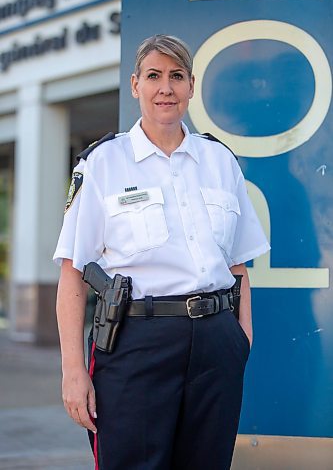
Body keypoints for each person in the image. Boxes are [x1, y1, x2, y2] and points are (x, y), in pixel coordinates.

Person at [54, 34, 270, 470]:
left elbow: (238, 265)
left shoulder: (219, 160)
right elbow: (73, 274)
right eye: (153, 76)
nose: (165, 88)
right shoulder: (103, 164)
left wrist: (240, 341)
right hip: (137, 343)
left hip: (216, 341)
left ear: (191, 85)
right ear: (135, 85)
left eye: (176, 76)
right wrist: (73, 371)